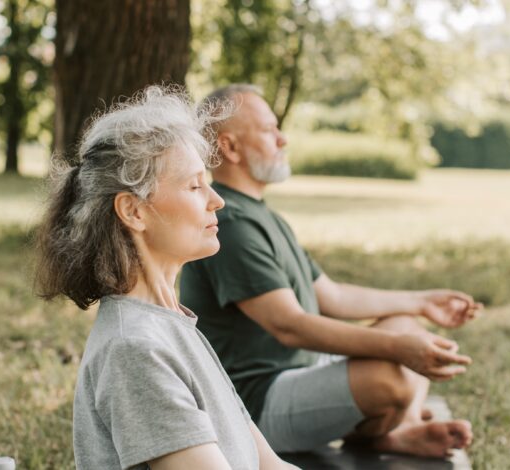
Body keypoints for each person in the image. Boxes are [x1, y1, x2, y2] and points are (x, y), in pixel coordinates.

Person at [180, 84, 481, 458]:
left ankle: (396, 431)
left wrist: (421, 302)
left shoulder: (262, 215)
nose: (283, 139)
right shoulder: (232, 224)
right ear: (230, 147)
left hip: (300, 372)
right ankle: (393, 426)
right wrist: (398, 349)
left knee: (406, 325)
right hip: (255, 403)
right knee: (392, 377)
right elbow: (288, 326)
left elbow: (332, 296)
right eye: (269, 130)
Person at [34, 86, 296, 470]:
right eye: (194, 185)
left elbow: (269, 464)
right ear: (133, 211)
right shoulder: (135, 349)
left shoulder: (173, 325)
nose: (216, 200)